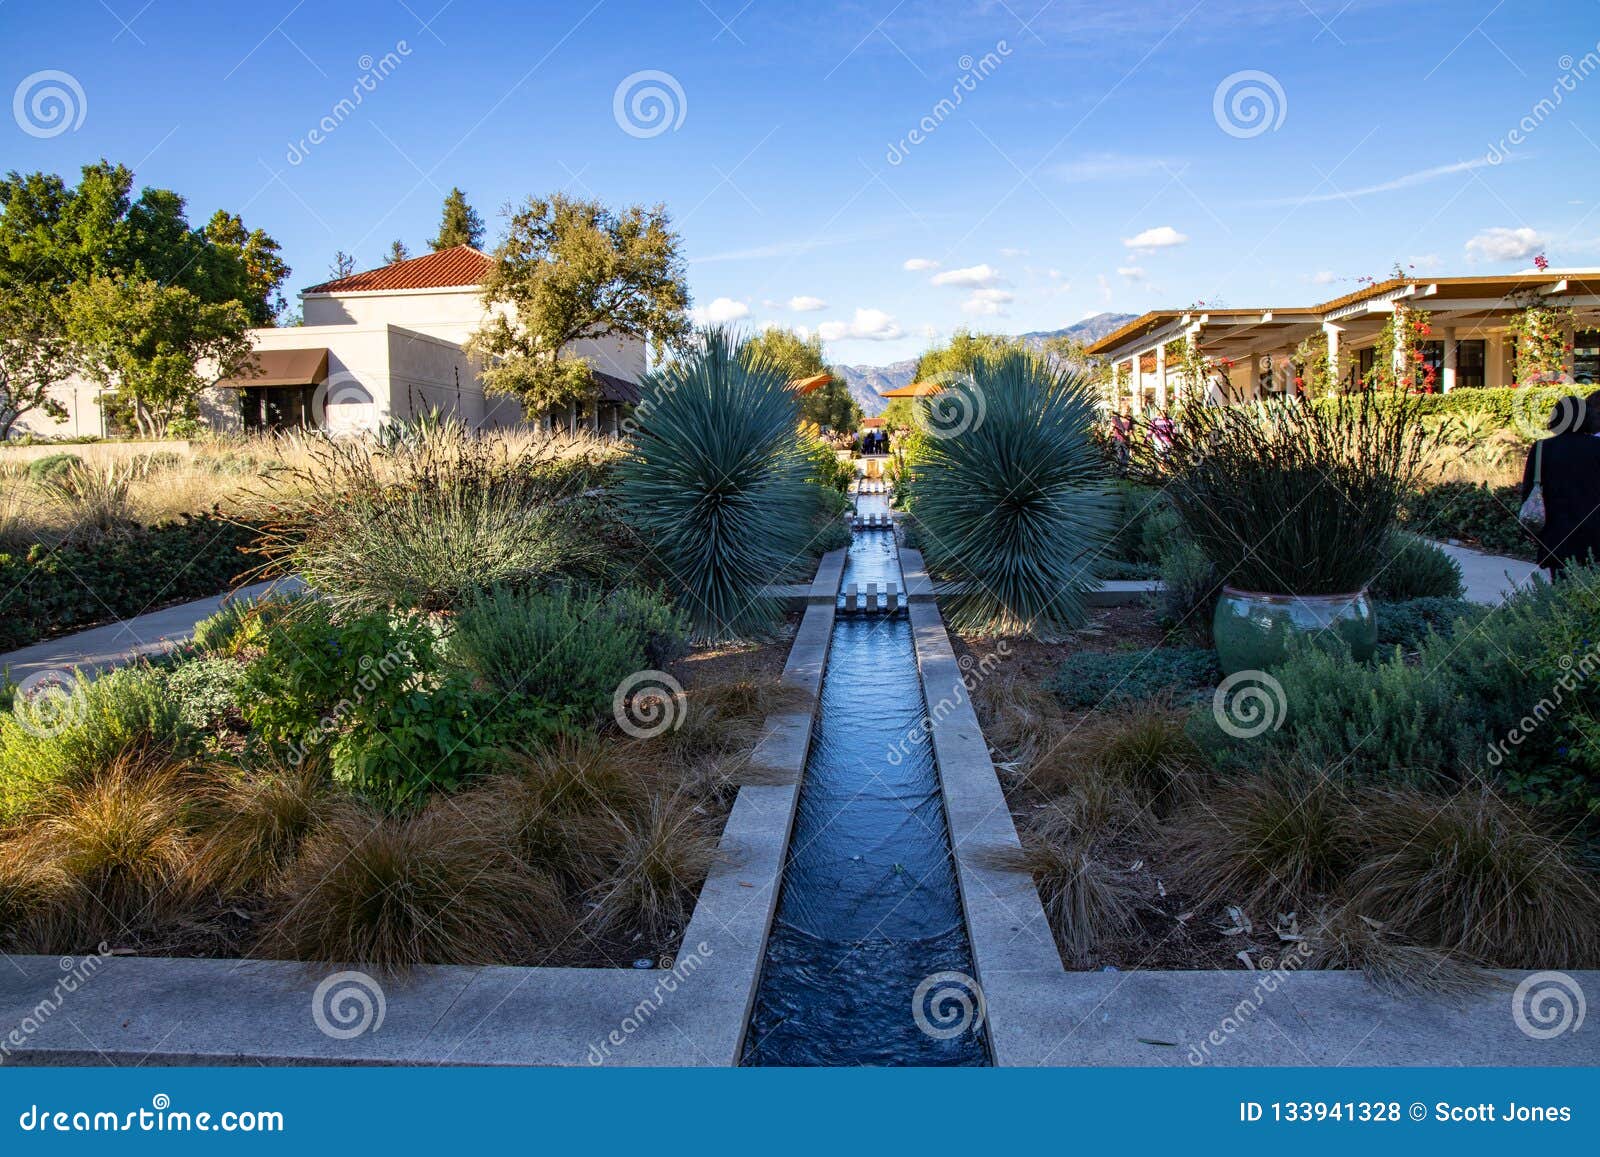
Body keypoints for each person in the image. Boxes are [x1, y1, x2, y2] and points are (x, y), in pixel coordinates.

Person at [1520, 393, 1600, 579]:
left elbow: (1528, 492)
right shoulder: (1597, 447)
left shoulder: (1541, 448)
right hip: (1595, 532)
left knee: (1561, 590)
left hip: (1557, 533)